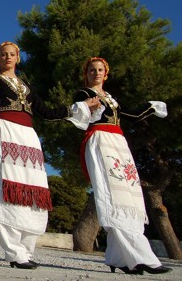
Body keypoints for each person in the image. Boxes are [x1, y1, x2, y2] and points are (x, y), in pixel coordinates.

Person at [0, 42, 98, 270]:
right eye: (3, 55)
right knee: (10, 189)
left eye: (12, 54)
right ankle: (13, 252)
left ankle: (26, 249)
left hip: (28, 138)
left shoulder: (27, 86)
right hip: (6, 132)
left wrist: (80, 106)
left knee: (32, 191)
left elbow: (47, 113)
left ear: (18, 58)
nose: (8, 58)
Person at [73, 57, 172, 275]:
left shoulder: (110, 98)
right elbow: (78, 113)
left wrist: (150, 106)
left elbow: (132, 115)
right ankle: (143, 257)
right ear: (86, 74)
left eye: (100, 70)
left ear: (105, 74)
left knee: (128, 197)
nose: (96, 73)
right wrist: (88, 107)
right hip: (100, 141)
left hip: (119, 143)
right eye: (92, 70)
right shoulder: (84, 94)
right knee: (113, 196)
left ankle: (118, 258)